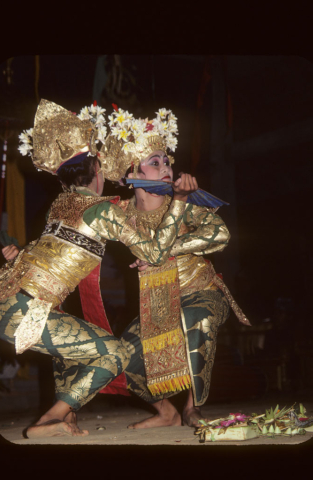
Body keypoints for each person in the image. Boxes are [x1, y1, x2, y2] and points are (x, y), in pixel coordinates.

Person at [0, 99, 197, 438]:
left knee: (76, 343)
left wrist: (17, 257)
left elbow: (48, 254)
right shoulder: (103, 210)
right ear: (97, 171)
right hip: (25, 312)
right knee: (116, 352)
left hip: (3, 303)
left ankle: (69, 416)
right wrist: (181, 202)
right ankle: (50, 418)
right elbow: (157, 250)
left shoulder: (59, 204)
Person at [95, 106, 251, 429]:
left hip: (202, 293)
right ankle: (167, 412)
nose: (166, 166)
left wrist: (167, 252)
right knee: (120, 354)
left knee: (196, 317)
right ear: (133, 175)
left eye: (167, 160)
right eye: (155, 162)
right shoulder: (120, 213)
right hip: (159, 303)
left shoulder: (182, 202)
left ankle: (193, 407)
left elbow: (221, 233)